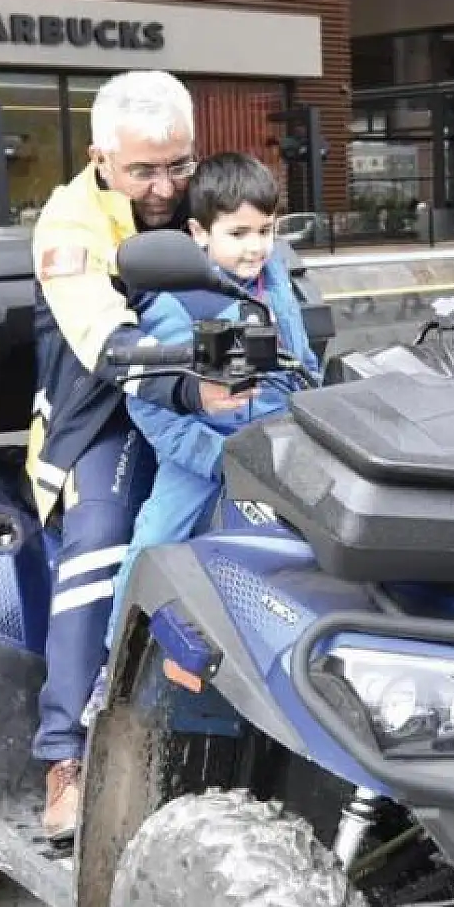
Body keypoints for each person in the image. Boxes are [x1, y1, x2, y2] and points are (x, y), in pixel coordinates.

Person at [27, 69, 226, 841]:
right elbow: (105, 343)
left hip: (209, 396)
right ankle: (64, 756)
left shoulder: (202, 192)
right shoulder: (70, 223)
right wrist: (196, 388)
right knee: (101, 543)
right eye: (145, 169)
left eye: (179, 164)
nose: (165, 185)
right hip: (101, 411)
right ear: (101, 158)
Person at [101, 152, 320, 657]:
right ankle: (113, 660)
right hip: (205, 456)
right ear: (200, 233)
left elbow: (300, 357)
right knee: (153, 543)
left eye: (265, 230)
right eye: (238, 234)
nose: (256, 247)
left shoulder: (275, 279)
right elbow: (150, 405)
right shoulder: (178, 304)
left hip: (279, 442)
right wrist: (214, 458)